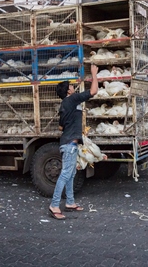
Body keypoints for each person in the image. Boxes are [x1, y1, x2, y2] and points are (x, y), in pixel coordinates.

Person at [49, 64, 99, 220]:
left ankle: (70, 202)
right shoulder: (71, 99)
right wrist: (94, 74)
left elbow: (60, 126)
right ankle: (54, 205)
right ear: (68, 91)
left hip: (69, 142)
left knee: (71, 174)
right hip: (70, 143)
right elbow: (93, 91)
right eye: (71, 86)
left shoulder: (66, 105)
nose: (73, 87)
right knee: (65, 174)